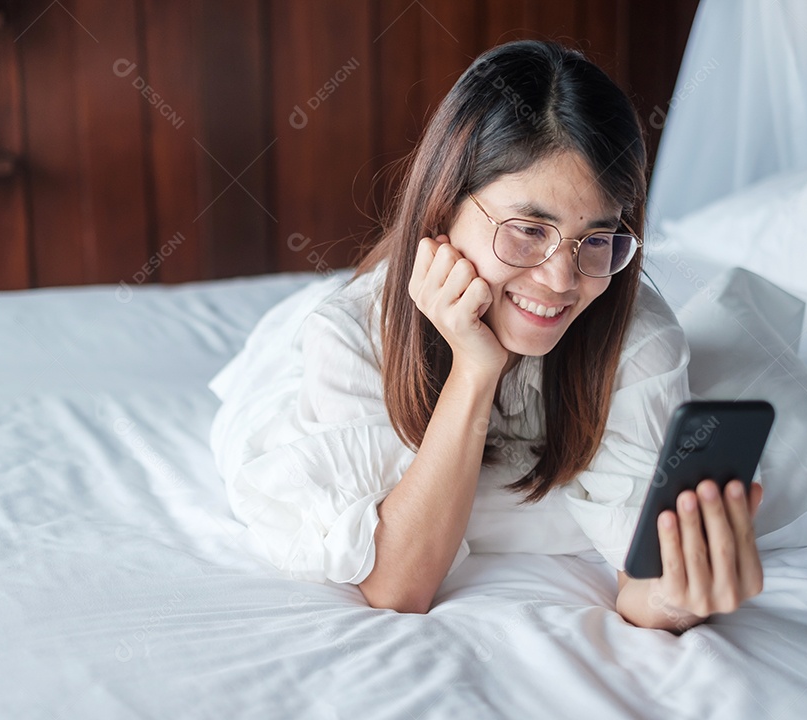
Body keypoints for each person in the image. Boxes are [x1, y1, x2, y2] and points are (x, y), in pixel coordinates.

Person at [208, 40, 764, 631]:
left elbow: (644, 588)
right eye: (528, 230)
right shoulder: (351, 335)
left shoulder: (635, 338)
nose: (561, 280)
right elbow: (399, 586)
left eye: (596, 239)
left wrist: (683, 595)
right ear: (444, 206)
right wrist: (474, 369)